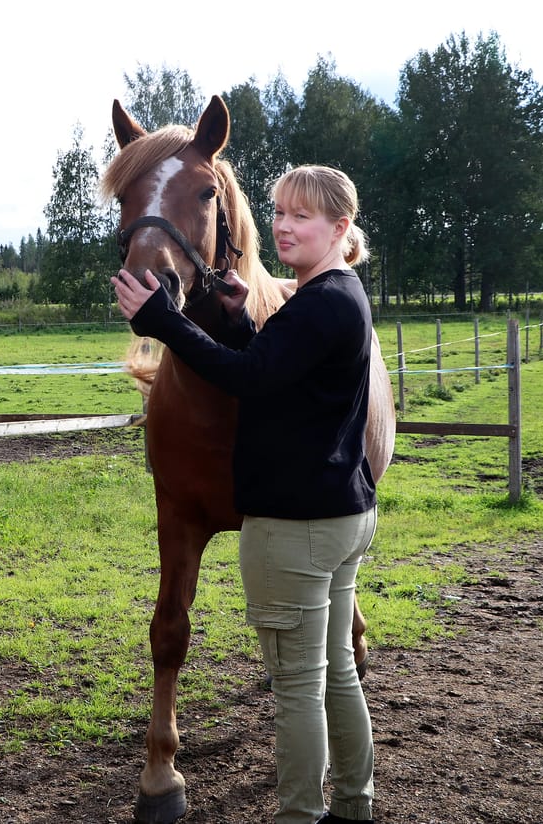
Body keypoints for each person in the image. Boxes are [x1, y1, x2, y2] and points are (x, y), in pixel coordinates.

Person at [111, 164, 378, 824]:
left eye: (302, 217)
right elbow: (275, 368)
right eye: (279, 213)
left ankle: (298, 815)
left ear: (340, 229)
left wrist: (163, 323)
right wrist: (235, 319)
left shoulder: (320, 305)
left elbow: (254, 380)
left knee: (296, 688)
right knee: (337, 672)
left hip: (296, 528)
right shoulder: (337, 296)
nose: (283, 226)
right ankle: (352, 806)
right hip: (343, 515)